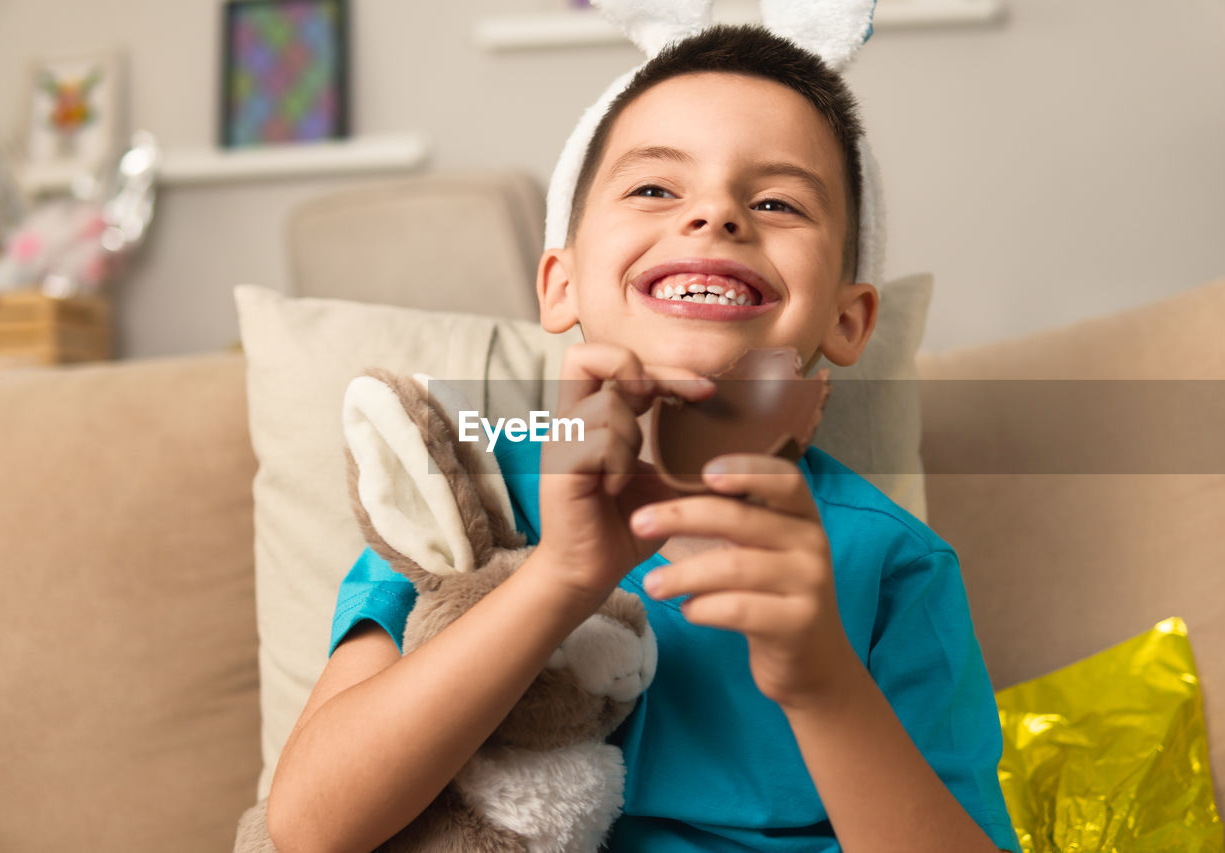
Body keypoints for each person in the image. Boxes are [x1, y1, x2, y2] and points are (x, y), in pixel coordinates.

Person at [266, 23, 1020, 853]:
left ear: (848, 319)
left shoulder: (894, 563)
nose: (715, 214)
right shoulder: (467, 486)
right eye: (656, 189)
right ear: (561, 281)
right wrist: (561, 577)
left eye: (776, 202)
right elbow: (308, 829)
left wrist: (824, 683)